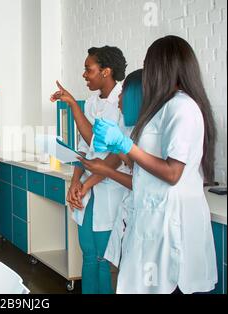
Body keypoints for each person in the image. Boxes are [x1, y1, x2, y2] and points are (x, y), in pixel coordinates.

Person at [91, 36, 218, 294]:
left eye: (148, 65)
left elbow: (173, 172)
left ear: (164, 67)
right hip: (152, 220)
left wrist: (126, 147)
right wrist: (120, 149)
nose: (146, 72)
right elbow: (146, 169)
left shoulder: (182, 108)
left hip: (170, 225)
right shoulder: (164, 107)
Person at [51, 46, 128, 294]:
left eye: (88, 69)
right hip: (88, 186)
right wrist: (76, 182)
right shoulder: (93, 102)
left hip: (110, 188)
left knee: (103, 258)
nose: (84, 74)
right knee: (88, 252)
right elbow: (84, 147)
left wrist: (86, 184)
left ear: (106, 72)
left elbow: (116, 156)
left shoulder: (123, 100)